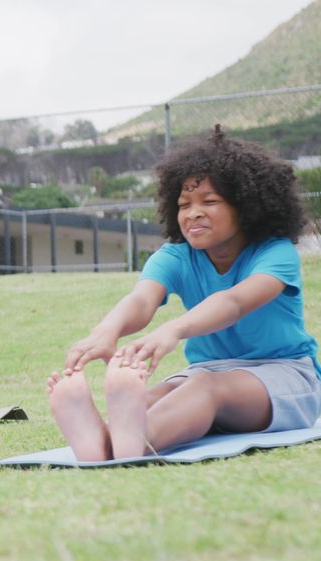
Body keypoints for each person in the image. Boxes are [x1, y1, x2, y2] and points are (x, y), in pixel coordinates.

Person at [47, 125, 321, 461]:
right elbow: (141, 300)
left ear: (247, 207)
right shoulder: (175, 256)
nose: (193, 213)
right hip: (205, 372)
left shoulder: (275, 253)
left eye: (210, 201)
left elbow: (233, 302)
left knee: (205, 390)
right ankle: (103, 440)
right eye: (184, 204)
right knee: (160, 395)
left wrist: (173, 329)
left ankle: (128, 444)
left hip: (283, 374)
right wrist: (107, 331)